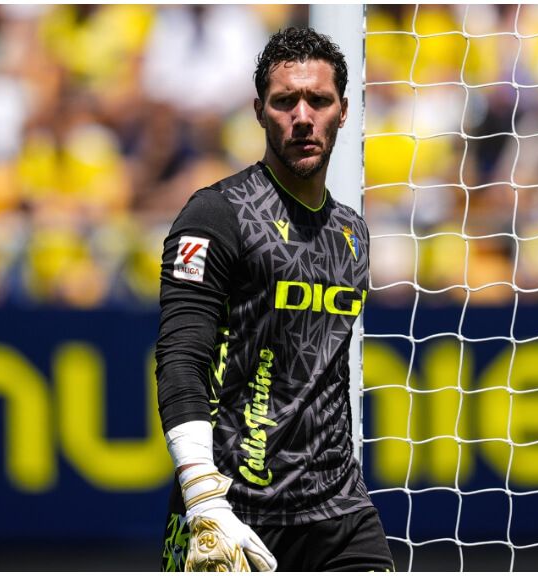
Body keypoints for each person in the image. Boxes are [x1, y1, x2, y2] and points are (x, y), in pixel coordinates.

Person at [155, 27, 394, 572]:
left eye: (319, 100)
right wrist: (202, 497)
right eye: (286, 101)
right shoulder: (217, 215)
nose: (303, 116)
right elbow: (180, 360)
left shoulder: (352, 232)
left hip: (338, 513)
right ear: (260, 112)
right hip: (231, 511)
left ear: (344, 110)